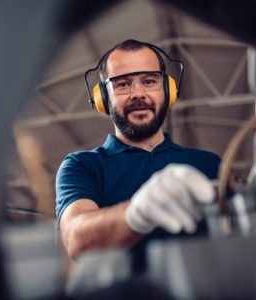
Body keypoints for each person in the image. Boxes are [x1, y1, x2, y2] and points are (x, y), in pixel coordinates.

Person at [55, 39, 221, 266]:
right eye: (122, 84)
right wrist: (137, 213)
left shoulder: (210, 164)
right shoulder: (82, 165)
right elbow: (76, 240)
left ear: (168, 90)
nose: (138, 93)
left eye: (149, 81)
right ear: (103, 97)